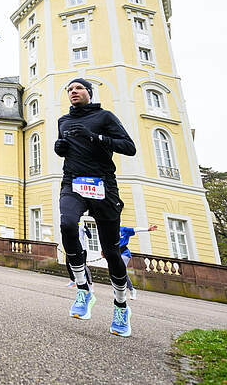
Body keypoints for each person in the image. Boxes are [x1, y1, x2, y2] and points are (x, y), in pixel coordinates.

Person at [54, 78, 137, 337]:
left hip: (103, 186)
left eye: (78, 88)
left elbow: (129, 147)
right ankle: (83, 290)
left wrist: (96, 137)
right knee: (67, 224)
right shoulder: (63, 121)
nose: (73, 92)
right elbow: (64, 149)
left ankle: (121, 306)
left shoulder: (105, 117)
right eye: (69, 90)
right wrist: (60, 148)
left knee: (111, 251)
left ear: (89, 92)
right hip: (73, 183)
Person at [118, 223, 158, 299]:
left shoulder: (123, 229)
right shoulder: (108, 230)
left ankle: (131, 290)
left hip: (124, 253)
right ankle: (126, 290)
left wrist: (147, 229)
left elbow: (135, 229)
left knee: (121, 269)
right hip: (115, 254)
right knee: (116, 272)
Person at [66, 220, 93, 289]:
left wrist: (86, 229)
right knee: (68, 264)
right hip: (71, 249)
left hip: (81, 249)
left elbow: (89, 236)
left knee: (83, 266)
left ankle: (90, 284)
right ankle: (73, 280)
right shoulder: (69, 224)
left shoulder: (81, 224)